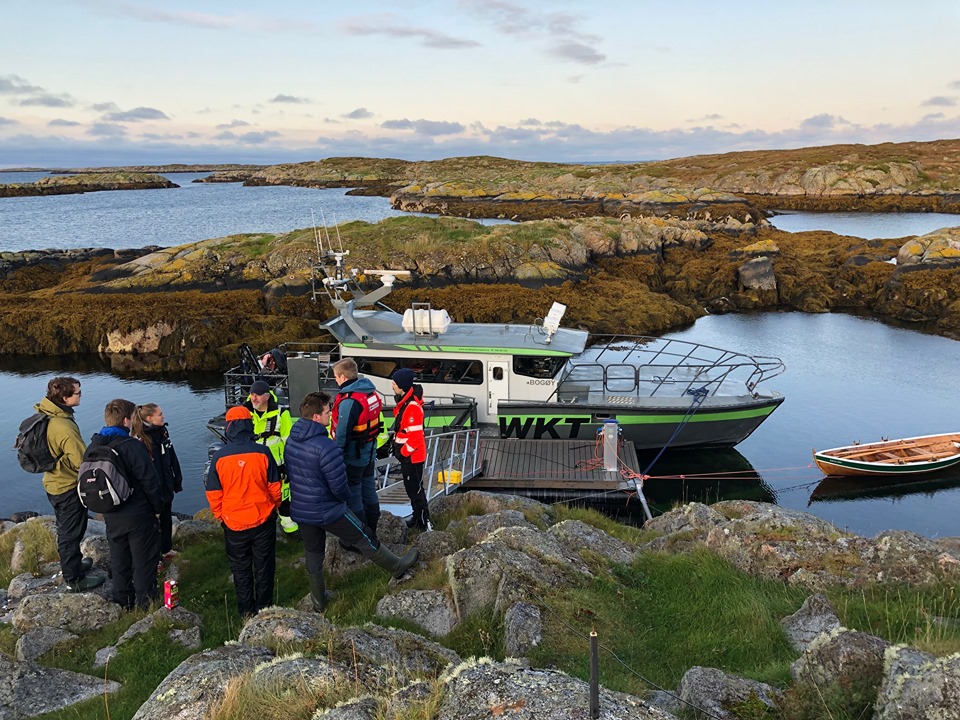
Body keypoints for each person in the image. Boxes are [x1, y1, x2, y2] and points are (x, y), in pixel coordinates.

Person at [285, 392, 419, 612]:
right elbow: (339, 486)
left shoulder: (292, 440)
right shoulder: (326, 446)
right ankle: (397, 566)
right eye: (328, 411)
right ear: (317, 417)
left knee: (313, 552)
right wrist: (344, 499)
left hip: (303, 509)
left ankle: (319, 601)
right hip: (329, 509)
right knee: (363, 535)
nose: (330, 415)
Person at [205, 405, 282, 617]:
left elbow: (213, 492)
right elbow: (275, 488)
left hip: (233, 523)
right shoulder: (263, 452)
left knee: (240, 569)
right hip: (263, 519)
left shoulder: (219, 458)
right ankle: (264, 609)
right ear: (249, 425)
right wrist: (273, 508)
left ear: (229, 427)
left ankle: (246, 612)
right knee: (264, 566)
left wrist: (222, 515)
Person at [93, 398, 165, 609]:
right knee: (143, 562)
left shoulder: (95, 445)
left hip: (111, 513)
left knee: (120, 561)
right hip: (138, 514)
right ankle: (146, 604)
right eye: (133, 418)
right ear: (126, 420)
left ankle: (122, 602)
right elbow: (150, 480)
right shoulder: (131, 445)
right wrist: (157, 508)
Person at [35, 377, 104, 592]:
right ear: (65, 398)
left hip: (52, 482)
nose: (81, 395)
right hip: (66, 486)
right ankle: (74, 579)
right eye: (78, 393)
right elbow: (80, 460)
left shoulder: (48, 413)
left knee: (68, 528)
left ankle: (74, 564)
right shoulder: (63, 426)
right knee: (71, 532)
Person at [330, 358, 383, 542]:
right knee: (369, 492)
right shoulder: (371, 393)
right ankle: (373, 529)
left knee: (354, 496)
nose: (335, 381)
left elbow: (342, 434)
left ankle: (359, 537)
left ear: (343, 377)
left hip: (353, 457)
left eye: (336, 377)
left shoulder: (349, 401)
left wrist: (336, 458)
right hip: (369, 454)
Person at [243, 379, 297, 536]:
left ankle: (290, 528)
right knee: (256, 497)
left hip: (277, 465)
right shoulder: (245, 413)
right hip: (253, 466)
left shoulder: (281, 414)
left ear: (267, 396)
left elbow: (289, 442)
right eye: (252, 394)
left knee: (283, 497)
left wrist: (289, 465)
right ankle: (261, 529)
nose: (253, 398)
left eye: (258, 395)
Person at [131, 403, 182, 562]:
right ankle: (154, 559)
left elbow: (172, 456)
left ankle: (167, 550)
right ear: (149, 418)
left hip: (166, 486)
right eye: (160, 414)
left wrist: (176, 480)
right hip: (151, 492)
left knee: (166, 519)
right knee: (153, 525)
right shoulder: (140, 439)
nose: (163, 416)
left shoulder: (163, 432)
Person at [391, 369, 431, 530]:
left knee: (416, 490)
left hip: (412, 458)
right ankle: (417, 518)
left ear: (402, 386)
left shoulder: (412, 408)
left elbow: (415, 438)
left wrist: (402, 452)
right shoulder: (406, 404)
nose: (392, 386)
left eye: (394, 383)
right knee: (412, 490)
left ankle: (422, 522)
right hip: (409, 457)